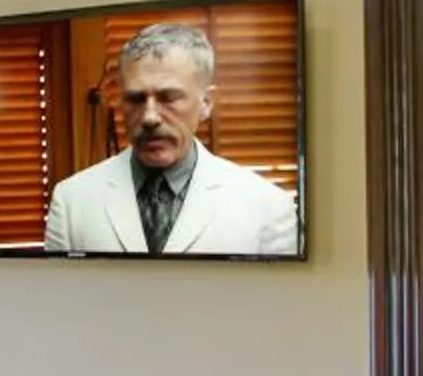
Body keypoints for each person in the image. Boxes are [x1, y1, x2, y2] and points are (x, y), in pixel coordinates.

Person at [43, 23, 301, 257]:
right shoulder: (72, 202)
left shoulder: (267, 208)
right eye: (135, 99)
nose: (150, 117)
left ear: (206, 104)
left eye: (169, 98)